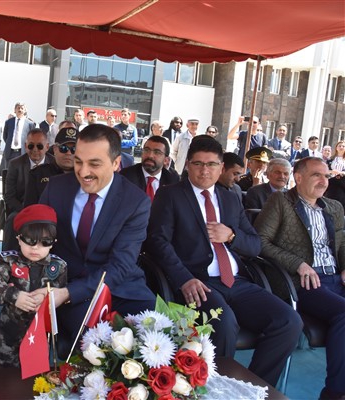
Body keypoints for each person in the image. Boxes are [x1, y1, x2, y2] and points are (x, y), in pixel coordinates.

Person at [145, 135, 302, 387]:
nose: (204, 170)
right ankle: (216, 389)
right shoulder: (171, 195)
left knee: (289, 322)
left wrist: (231, 236)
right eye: (198, 164)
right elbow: (157, 242)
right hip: (197, 281)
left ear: (221, 168)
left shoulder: (230, 198)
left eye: (211, 164)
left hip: (237, 281)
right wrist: (184, 279)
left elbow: (254, 245)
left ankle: (254, 387)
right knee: (224, 323)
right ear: (187, 166)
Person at [39, 124, 156, 351]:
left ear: (116, 163)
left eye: (94, 164)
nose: (83, 172)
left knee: (156, 334)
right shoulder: (56, 189)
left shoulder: (135, 202)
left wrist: (68, 293)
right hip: (67, 285)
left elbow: (121, 265)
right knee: (96, 342)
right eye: (78, 161)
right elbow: (36, 239)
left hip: (121, 287)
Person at [255, 157, 345, 400]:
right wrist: (298, 264)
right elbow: (260, 241)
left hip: (335, 277)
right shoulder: (281, 201)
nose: (323, 181)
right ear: (298, 177)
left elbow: (342, 243)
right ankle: (335, 393)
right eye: (317, 175)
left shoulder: (334, 207)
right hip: (302, 281)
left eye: (326, 176)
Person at [0, 204, 67, 367]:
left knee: (36, 371)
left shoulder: (59, 266)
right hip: (9, 329)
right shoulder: (7, 260)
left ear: (53, 243)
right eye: (30, 240)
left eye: (45, 242)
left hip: (40, 332)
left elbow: (61, 294)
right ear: (19, 238)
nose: (36, 247)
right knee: (2, 370)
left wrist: (46, 297)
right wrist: (14, 295)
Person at [3, 129, 54, 250]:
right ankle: (8, 257)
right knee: (12, 220)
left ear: (47, 147)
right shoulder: (15, 164)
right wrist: (26, 211)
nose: (35, 149)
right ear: (25, 146)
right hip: (22, 209)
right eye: (31, 146)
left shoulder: (54, 164)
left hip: (48, 210)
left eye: (39, 146)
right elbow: (9, 196)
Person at [24, 127, 77, 207]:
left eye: (74, 149)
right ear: (55, 149)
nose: (69, 153)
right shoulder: (38, 174)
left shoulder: (83, 177)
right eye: (63, 148)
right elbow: (30, 208)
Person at [120, 135, 179, 202]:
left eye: (157, 152)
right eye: (146, 150)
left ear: (166, 160)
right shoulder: (126, 176)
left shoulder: (172, 178)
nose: (150, 155)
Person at [0, 102, 36, 180]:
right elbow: (5, 136)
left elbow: (32, 138)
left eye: (22, 108)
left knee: (22, 175)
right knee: (9, 175)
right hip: (10, 152)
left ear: (25, 110)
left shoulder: (30, 124)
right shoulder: (9, 122)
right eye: (18, 108)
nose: (20, 110)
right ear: (15, 110)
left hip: (22, 152)